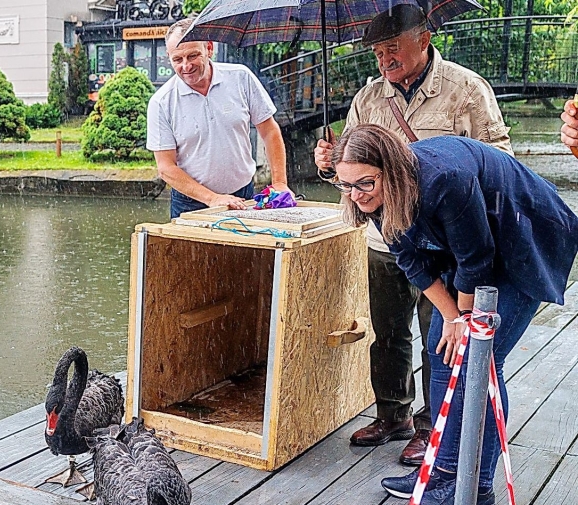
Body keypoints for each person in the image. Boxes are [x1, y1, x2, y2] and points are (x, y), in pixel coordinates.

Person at [330, 124, 578, 505]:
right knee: (440, 350)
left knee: (480, 362)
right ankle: (440, 472)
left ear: (390, 171)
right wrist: (450, 316)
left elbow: (476, 259)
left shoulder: (444, 178)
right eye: (344, 185)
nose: (356, 195)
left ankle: (475, 489)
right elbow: (411, 260)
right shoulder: (370, 194)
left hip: (523, 238)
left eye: (364, 183)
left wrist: (463, 318)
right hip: (470, 249)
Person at [314, 4, 512, 466]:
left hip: (445, 243)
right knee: (386, 332)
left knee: (437, 333)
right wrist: (328, 162)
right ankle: (392, 415)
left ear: (423, 40)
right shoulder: (368, 98)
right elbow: (352, 171)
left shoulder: (466, 89)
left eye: (393, 48)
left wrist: (435, 166)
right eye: (379, 52)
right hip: (386, 240)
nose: (385, 60)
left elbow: (501, 160)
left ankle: (431, 428)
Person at [148, 17, 290, 219]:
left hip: (244, 194)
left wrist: (280, 183)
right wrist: (212, 198)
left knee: (245, 251)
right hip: (190, 202)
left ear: (209, 48)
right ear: (168, 56)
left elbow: (269, 130)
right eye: (177, 60)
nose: (186, 66)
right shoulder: (161, 102)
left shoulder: (241, 77)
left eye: (193, 56)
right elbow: (166, 167)